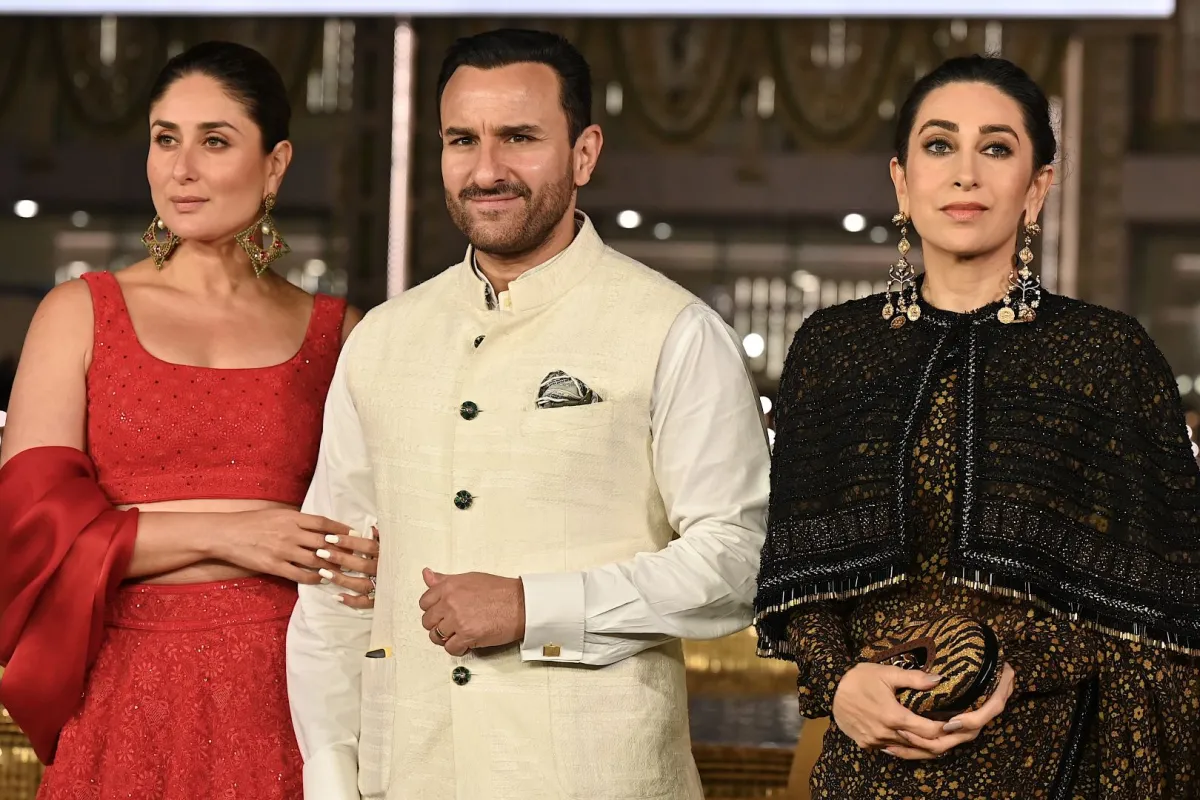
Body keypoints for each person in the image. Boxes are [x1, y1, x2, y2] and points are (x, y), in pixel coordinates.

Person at [285, 27, 771, 800]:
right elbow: (334, 584)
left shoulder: (671, 330)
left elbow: (737, 559)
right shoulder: (383, 339)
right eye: (461, 140)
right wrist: (330, 775)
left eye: (519, 138)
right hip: (405, 774)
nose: (486, 170)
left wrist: (531, 606)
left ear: (584, 153)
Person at [753, 54, 1200, 799]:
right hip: (873, 754)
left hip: (1063, 754)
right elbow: (798, 574)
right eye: (939, 145)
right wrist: (839, 683)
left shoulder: (1106, 356)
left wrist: (995, 661)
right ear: (901, 180)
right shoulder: (835, 350)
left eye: (996, 148)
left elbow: (1170, 605)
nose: (966, 174)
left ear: (1039, 185)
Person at [0, 41, 379, 799]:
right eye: (165, 138)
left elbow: (386, 522)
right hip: (124, 686)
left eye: (215, 140)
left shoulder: (342, 334)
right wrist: (233, 532)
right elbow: (29, 527)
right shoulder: (79, 314)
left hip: (292, 686)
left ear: (274, 165)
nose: (181, 168)